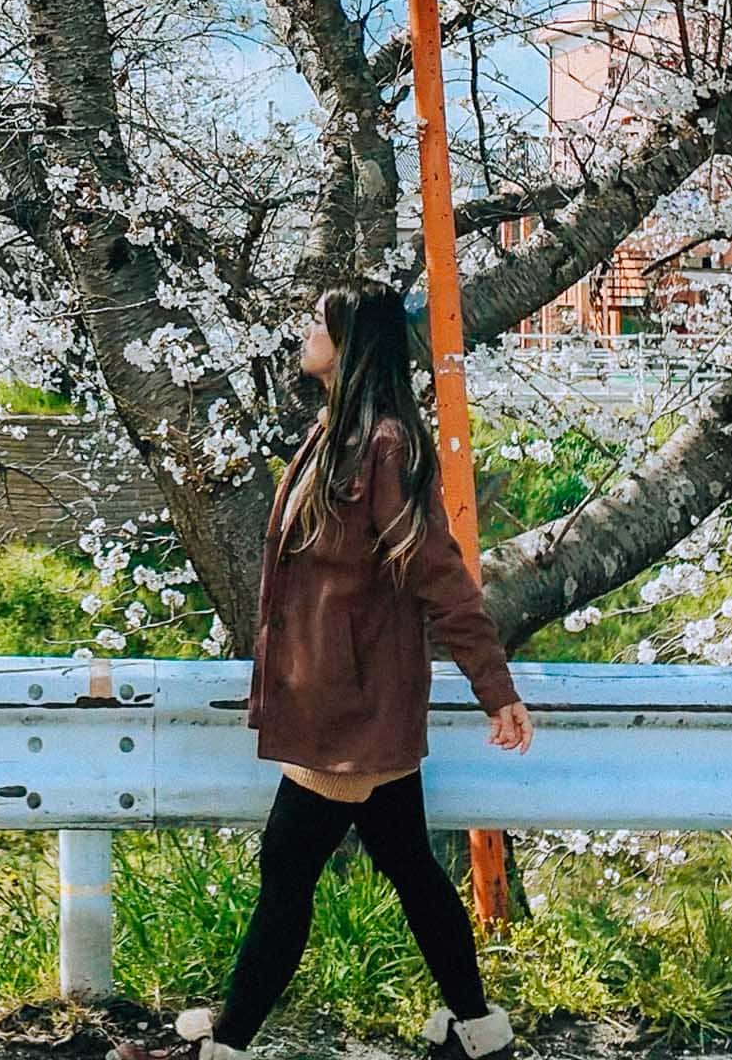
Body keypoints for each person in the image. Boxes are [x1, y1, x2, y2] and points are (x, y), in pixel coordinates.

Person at [106, 278, 533, 1060]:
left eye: (319, 323)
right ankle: (479, 1031)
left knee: (287, 863)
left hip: (354, 706)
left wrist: (493, 687)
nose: (306, 332)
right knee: (409, 865)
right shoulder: (333, 433)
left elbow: (438, 571)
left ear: (352, 343)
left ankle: (225, 1047)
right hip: (335, 694)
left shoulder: (386, 447)